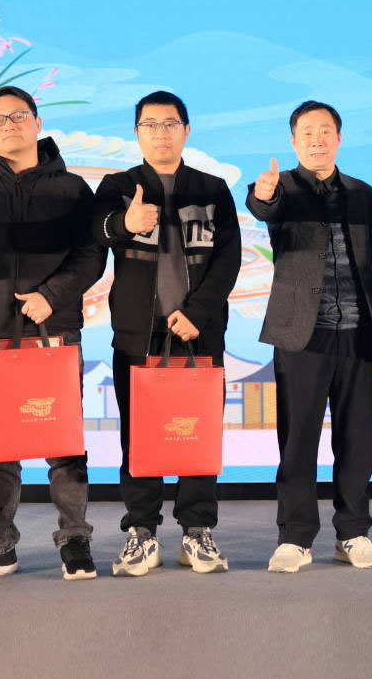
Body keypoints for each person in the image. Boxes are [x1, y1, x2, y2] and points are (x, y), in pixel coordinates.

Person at [0, 85, 107, 582]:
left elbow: (92, 256)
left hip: (54, 333)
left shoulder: (72, 189)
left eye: (18, 116)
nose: (9, 125)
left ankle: (75, 540)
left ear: (37, 122)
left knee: (63, 443)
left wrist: (52, 294)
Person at [91, 90, 241, 576]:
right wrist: (124, 222)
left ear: (186, 130)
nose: (161, 133)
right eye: (150, 125)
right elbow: (95, 232)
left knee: (197, 433)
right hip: (139, 335)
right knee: (139, 438)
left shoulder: (213, 189)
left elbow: (228, 259)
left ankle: (197, 531)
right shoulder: (118, 185)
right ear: (137, 133)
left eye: (170, 124)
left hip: (199, 333)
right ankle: (142, 531)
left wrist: (198, 312)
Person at [247, 101, 372, 574]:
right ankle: (295, 536)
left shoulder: (365, 194)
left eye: (325, 131)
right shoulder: (281, 188)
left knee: (357, 440)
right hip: (301, 334)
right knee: (298, 440)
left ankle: (353, 532)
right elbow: (262, 207)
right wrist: (264, 194)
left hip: (357, 331)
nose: (316, 139)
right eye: (307, 132)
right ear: (293, 141)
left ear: (339, 138)